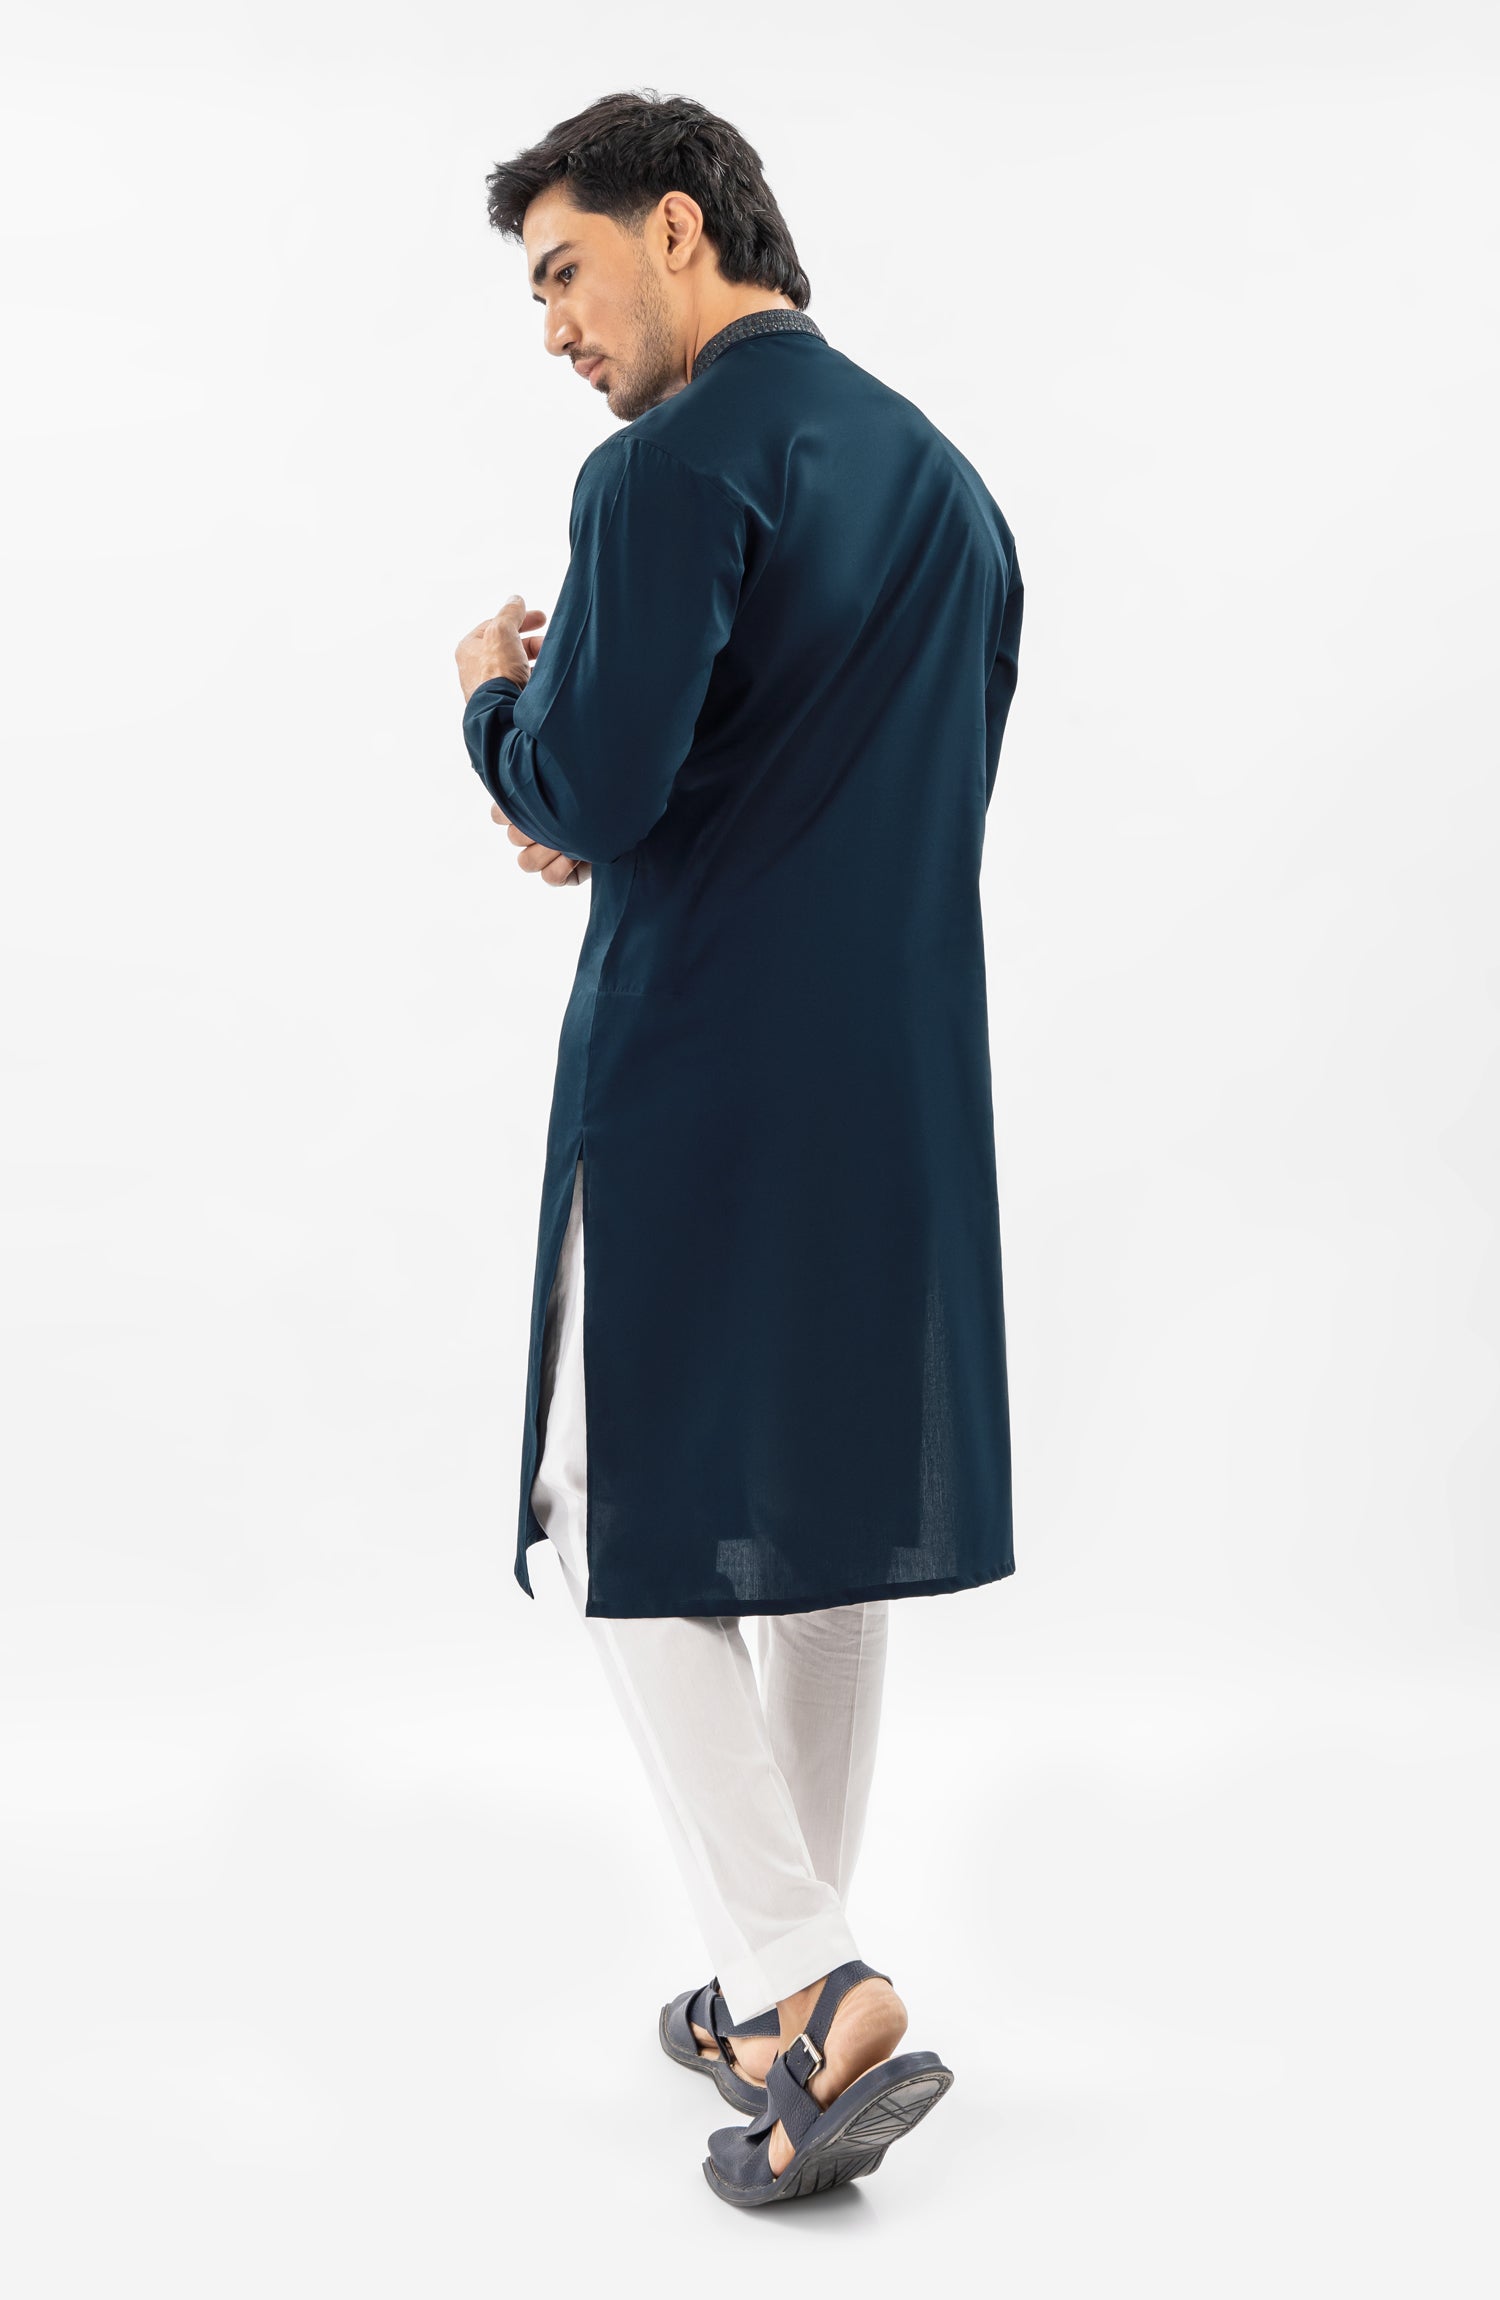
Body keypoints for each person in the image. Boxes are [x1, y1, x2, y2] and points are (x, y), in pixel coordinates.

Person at [453, 88, 1024, 2206]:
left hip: (698, 1069)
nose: (552, 329)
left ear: (679, 228)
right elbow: (838, 769)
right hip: (900, 1084)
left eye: (564, 272)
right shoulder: (952, 488)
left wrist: (499, 710)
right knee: (828, 1522)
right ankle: (778, 2005)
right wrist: (606, 783)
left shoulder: (666, 467)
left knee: (616, 1508)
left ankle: (802, 1970)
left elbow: (600, 784)